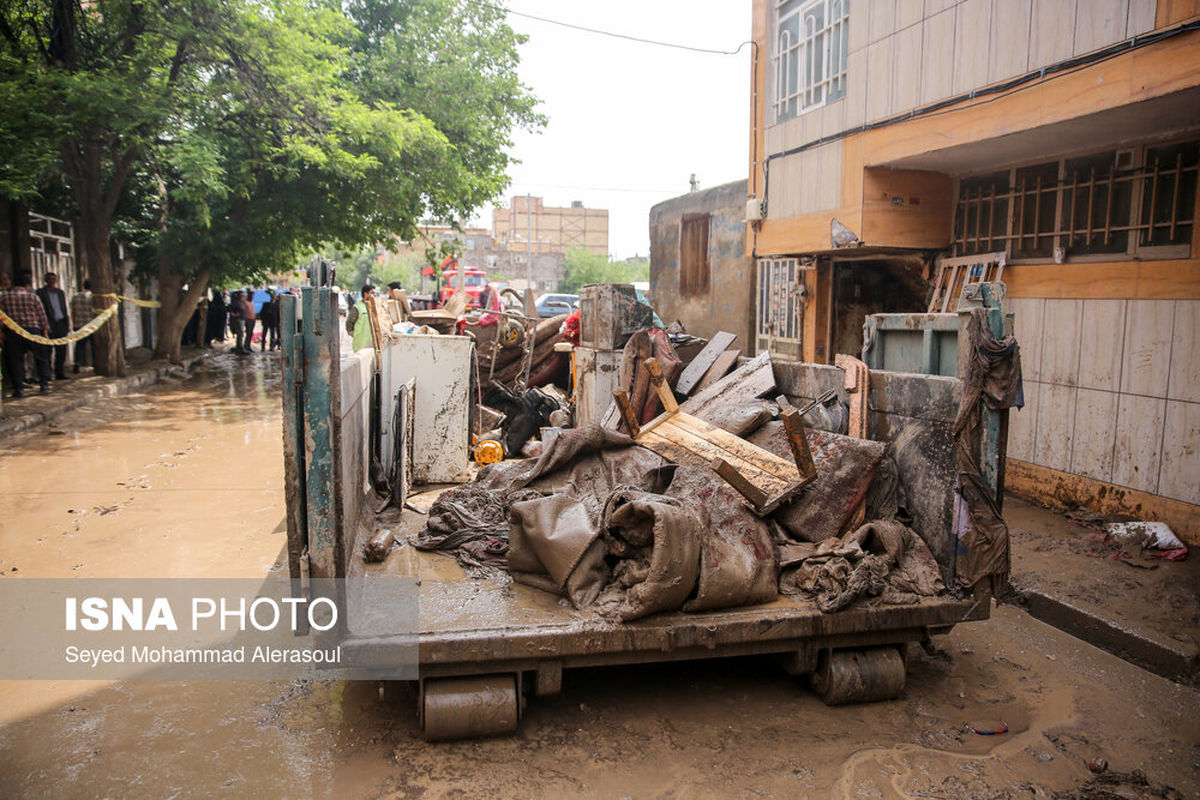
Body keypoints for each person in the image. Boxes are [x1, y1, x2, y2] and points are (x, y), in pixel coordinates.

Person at [1, 272, 52, 396]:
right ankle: (44, 385)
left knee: (16, 360)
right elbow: (41, 315)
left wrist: (1, 331)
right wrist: (45, 330)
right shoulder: (33, 297)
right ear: (27, 286)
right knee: (40, 358)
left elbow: (1, 316)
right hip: (33, 330)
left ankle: (18, 389)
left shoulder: (4, 297)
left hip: (13, 331)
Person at [36, 272, 70, 380]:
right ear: (45, 280)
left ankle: (59, 372)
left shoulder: (60, 293)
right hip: (48, 324)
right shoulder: (40, 293)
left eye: (54, 279)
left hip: (60, 323)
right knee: (47, 350)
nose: (52, 281)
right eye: (49, 279)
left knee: (61, 350)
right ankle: (48, 373)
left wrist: (67, 324)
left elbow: (64, 308)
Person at [69, 279, 94, 373]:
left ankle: (77, 363)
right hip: (93, 324)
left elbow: (73, 311)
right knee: (95, 345)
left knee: (79, 346)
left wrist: (73, 323)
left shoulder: (76, 296)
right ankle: (96, 364)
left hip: (80, 324)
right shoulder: (94, 297)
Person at [345, 284, 375, 352]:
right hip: (361, 345)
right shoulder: (357, 307)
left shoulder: (374, 307)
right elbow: (349, 323)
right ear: (365, 294)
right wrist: (354, 334)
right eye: (372, 293)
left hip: (372, 345)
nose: (374, 295)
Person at [228, 290, 247, 354]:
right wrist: (233, 313)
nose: (243, 296)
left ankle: (239, 346)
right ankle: (239, 347)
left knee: (241, 333)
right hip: (238, 319)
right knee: (240, 333)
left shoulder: (241, 302)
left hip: (241, 318)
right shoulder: (235, 302)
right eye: (242, 295)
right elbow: (229, 307)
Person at [242, 287, 257, 352]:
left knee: (250, 334)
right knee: (248, 333)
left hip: (252, 319)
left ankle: (248, 345)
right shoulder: (245, 303)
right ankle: (246, 346)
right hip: (248, 319)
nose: (253, 297)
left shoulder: (252, 303)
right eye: (252, 296)